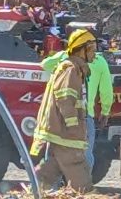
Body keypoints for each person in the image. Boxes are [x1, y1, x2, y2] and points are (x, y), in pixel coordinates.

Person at [30, 29, 96, 193]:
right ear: (82, 50)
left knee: (51, 168)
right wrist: (73, 125)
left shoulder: (75, 68)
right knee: (79, 173)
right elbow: (64, 98)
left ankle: (34, 191)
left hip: (60, 132)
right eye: (92, 50)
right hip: (65, 133)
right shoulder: (70, 69)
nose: (95, 54)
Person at [41, 33, 114, 173]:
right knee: (84, 157)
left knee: (53, 156)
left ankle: (50, 190)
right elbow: (106, 91)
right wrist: (105, 112)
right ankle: (80, 190)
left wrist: (64, 55)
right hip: (85, 118)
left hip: (60, 117)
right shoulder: (99, 61)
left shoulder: (64, 58)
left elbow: (45, 65)